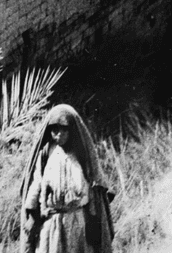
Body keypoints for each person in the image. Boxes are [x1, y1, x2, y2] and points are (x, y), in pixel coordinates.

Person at [19, 104, 114, 253]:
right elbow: (36, 183)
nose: (59, 135)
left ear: (72, 130)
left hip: (77, 222)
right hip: (50, 223)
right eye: (55, 130)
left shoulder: (82, 155)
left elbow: (94, 185)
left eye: (64, 130)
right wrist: (32, 215)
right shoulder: (46, 153)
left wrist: (93, 218)